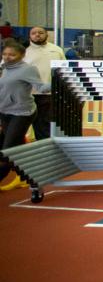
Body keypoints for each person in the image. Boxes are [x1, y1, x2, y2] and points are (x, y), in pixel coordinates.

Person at [0, 39, 49, 190]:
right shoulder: (4, 68)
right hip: (5, 111)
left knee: (7, 150)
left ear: (21, 55)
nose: (8, 57)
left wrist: (60, 80)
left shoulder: (28, 69)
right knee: (18, 149)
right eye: (5, 54)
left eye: (12, 55)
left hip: (22, 112)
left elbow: (41, 87)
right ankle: (24, 176)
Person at [24, 26, 64, 140]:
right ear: (29, 36)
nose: (37, 35)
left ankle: (45, 148)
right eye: (34, 33)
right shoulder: (23, 51)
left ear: (47, 35)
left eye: (40, 32)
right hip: (27, 94)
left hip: (48, 94)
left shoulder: (57, 50)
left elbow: (63, 70)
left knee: (45, 125)